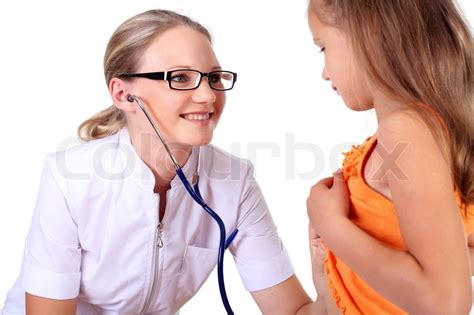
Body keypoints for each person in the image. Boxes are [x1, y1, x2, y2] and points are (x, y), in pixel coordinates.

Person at [1, 9, 316, 315]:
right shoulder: (69, 180)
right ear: (124, 95)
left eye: (214, 77)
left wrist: (330, 266)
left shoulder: (235, 183)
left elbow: (292, 311)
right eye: (180, 77)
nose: (208, 95)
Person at [305, 0, 474, 314]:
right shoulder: (432, 128)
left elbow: (444, 302)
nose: (325, 73)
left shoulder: (407, 130)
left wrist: (332, 225)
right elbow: (461, 254)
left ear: (366, 37)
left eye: (323, 47)